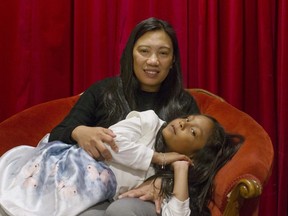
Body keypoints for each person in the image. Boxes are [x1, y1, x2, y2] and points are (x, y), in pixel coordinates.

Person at [47, 17, 200, 215]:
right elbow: (56, 136)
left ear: (172, 61)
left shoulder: (183, 105)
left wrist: (163, 181)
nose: (153, 61)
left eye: (163, 53)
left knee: (121, 210)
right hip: (98, 192)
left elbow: (200, 160)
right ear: (131, 54)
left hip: (151, 200)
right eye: (144, 51)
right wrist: (79, 132)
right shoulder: (103, 91)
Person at [0, 110, 243, 216]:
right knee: (18, 199)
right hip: (66, 164)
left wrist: (179, 169)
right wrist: (156, 157)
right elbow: (111, 143)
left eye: (192, 132)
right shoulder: (148, 122)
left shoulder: (164, 176)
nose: (182, 124)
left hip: (83, 193)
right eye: (187, 119)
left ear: (196, 155)